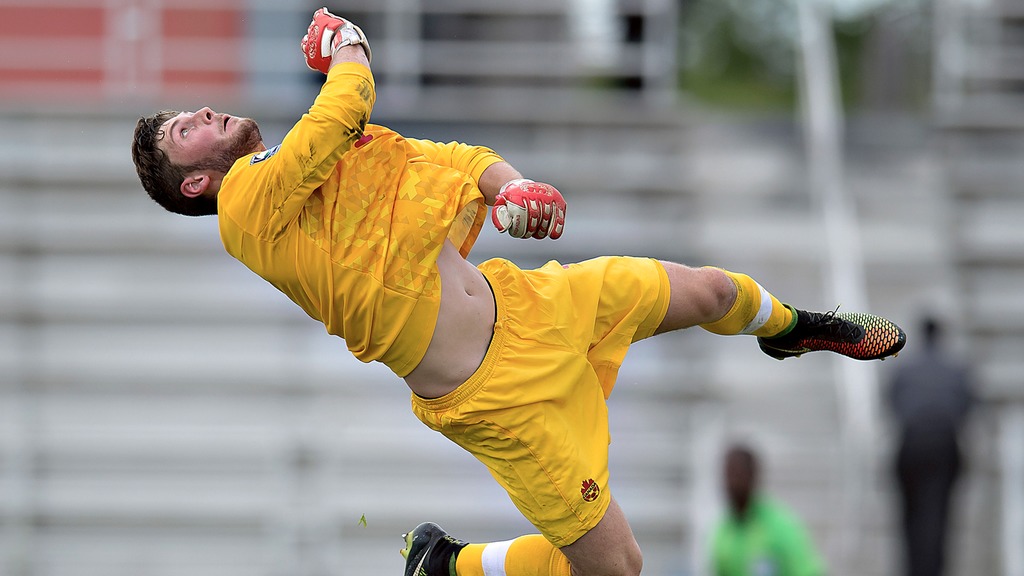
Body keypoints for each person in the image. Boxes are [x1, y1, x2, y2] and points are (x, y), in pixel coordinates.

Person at [130, 8, 906, 576]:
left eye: (187, 112)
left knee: (704, 291)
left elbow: (456, 157)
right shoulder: (243, 209)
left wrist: (515, 186)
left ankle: (794, 326)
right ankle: (452, 566)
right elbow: (347, 99)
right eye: (181, 132)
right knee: (616, 567)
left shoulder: (324, 168)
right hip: (496, 397)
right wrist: (346, 41)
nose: (199, 112)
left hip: (531, 304)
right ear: (196, 182)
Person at [887, 316, 973, 576]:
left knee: (910, 515)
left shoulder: (904, 368)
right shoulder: (956, 369)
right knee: (938, 516)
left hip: (911, 444)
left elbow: (891, 401)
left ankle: (912, 569)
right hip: (944, 445)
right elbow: (968, 405)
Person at [710, 443, 826, 576]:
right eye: (728, 475)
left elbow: (812, 571)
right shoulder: (721, 533)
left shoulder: (780, 526)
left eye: (738, 474)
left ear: (753, 476)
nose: (733, 483)